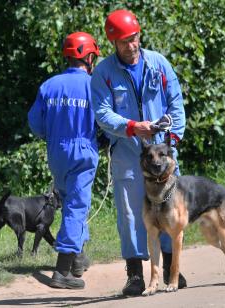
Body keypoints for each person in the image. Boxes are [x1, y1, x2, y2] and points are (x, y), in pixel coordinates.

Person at [90, 9, 186, 296]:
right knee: (130, 215)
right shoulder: (103, 73)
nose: (130, 46)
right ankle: (135, 275)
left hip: (163, 158)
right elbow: (102, 114)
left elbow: (176, 103)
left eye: (133, 39)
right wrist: (131, 127)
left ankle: (172, 271)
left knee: (170, 211)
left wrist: (172, 141)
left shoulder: (158, 63)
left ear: (139, 35)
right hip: (128, 155)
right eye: (123, 42)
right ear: (113, 43)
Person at [28, 32, 100, 289]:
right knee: (77, 208)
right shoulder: (94, 85)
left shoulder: (49, 85)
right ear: (89, 57)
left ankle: (78, 259)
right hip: (82, 150)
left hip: (56, 152)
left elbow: (35, 124)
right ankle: (62, 271)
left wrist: (54, 134)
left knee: (69, 202)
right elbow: (104, 120)